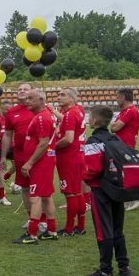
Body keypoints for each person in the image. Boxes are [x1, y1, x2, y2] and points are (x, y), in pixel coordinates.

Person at [82, 105, 133, 276]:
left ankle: (105, 271)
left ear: (95, 121)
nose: (89, 120)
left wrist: (84, 177)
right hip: (117, 189)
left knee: (104, 230)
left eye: (90, 117)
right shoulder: (115, 138)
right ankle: (124, 267)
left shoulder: (93, 141)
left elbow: (93, 169)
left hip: (101, 190)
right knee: (118, 229)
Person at [11, 89, 59, 244]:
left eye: (31, 98)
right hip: (45, 161)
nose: (27, 100)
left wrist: (30, 162)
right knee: (46, 196)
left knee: (35, 197)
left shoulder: (42, 118)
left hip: (41, 163)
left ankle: (32, 234)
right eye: (26, 98)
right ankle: (51, 230)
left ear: (41, 99)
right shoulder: (42, 116)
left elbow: (44, 142)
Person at [0, 83, 42, 230]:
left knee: (39, 189)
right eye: (19, 89)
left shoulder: (39, 109)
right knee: (25, 188)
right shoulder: (11, 112)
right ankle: (32, 218)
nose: (22, 91)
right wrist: (3, 156)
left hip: (38, 154)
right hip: (19, 155)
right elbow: (7, 135)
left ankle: (43, 221)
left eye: (25, 89)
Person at [52, 88, 87, 236]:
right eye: (59, 94)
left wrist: (52, 146)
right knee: (78, 192)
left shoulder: (70, 114)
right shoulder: (78, 110)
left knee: (70, 194)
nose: (59, 97)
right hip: (79, 156)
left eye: (63, 95)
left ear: (72, 99)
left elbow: (68, 139)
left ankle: (68, 229)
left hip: (68, 158)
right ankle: (80, 226)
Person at [111, 88, 139, 211]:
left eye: (117, 96)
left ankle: (135, 199)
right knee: (122, 172)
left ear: (123, 97)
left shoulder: (130, 111)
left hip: (126, 145)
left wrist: (114, 126)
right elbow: (113, 127)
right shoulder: (125, 111)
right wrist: (114, 126)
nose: (116, 99)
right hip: (121, 145)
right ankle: (129, 198)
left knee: (126, 173)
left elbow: (114, 127)